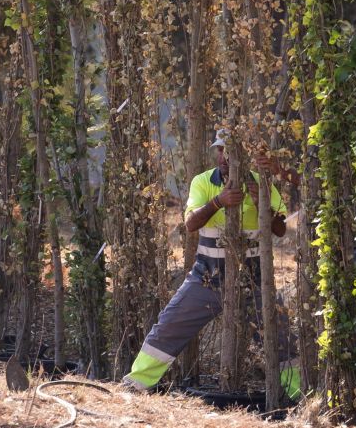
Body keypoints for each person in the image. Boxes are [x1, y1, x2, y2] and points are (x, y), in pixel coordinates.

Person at [122, 129, 301, 398]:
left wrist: (261, 204)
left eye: (231, 152)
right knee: (170, 325)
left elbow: (280, 230)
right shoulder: (203, 182)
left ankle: (299, 396)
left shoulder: (262, 184)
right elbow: (190, 224)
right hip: (206, 278)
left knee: (281, 338)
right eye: (221, 150)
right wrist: (218, 202)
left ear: (245, 156)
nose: (224, 157)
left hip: (253, 282)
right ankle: (135, 385)